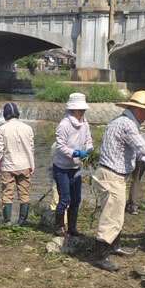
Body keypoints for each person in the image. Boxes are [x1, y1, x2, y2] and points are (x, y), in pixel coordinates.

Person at [92, 90, 145, 272]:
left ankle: (114, 246)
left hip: (113, 174)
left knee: (117, 215)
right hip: (112, 175)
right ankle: (100, 255)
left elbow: (131, 148)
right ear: (138, 110)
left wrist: (141, 157)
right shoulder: (127, 124)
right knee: (111, 217)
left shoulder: (122, 121)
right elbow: (142, 147)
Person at [52, 93, 93, 236]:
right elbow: (60, 146)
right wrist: (74, 153)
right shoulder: (64, 125)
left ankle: (72, 228)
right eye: (80, 110)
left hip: (76, 168)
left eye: (83, 110)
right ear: (72, 110)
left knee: (76, 199)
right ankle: (58, 227)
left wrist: (88, 150)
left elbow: (88, 140)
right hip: (62, 168)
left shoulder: (85, 124)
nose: (82, 112)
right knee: (65, 199)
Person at [0, 102, 35, 226]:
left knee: (7, 193)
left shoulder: (2, 129)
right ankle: (22, 221)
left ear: (5, 115)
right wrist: (32, 165)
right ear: (17, 113)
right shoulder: (28, 128)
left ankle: (7, 221)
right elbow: (31, 148)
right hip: (25, 165)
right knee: (24, 194)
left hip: (8, 166)